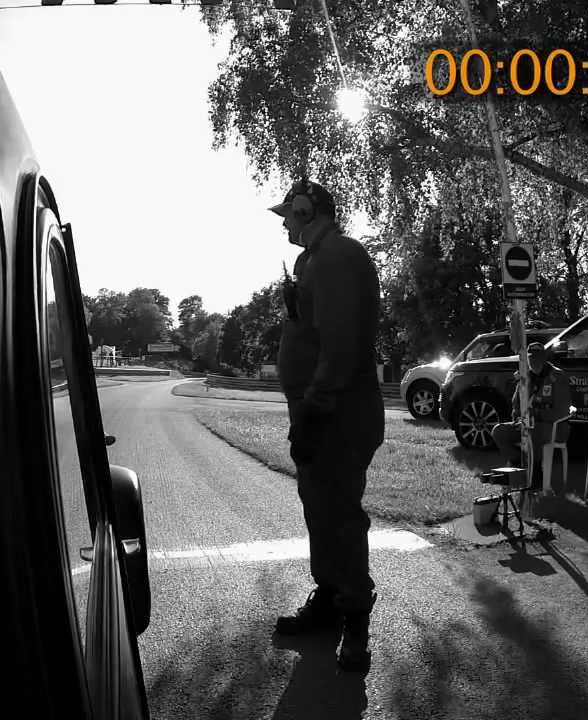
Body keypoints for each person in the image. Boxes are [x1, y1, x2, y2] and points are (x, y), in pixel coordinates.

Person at [269, 179, 385, 673]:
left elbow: (341, 346)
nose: (284, 224)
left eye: (289, 215)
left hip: (338, 413)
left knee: (338, 513)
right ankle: (330, 599)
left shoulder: (339, 256)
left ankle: (355, 616)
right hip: (319, 410)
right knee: (319, 509)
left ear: (306, 210)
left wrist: (314, 408)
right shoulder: (312, 260)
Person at [491, 342, 573, 485]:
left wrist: (537, 415)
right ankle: (519, 464)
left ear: (545, 357)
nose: (534, 361)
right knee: (499, 431)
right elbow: (516, 404)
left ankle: (536, 474)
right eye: (531, 358)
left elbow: (562, 411)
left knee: (533, 431)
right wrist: (518, 418)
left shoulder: (557, 377)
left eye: (538, 357)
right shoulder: (524, 378)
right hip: (527, 423)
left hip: (553, 427)